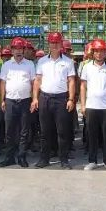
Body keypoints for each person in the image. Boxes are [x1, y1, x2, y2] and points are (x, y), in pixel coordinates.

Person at [35, 31, 76, 169]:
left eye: (57, 43)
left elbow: (71, 81)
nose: (54, 45)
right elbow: (37, 80)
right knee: (45, 131)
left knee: (62, 132)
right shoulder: (42, 61)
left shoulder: (68, 62)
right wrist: (35, 98)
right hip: (44, 98)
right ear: (49, 44)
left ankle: (64, 159)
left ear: (61, 44)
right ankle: (44, 159)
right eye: (52, 43)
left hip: (61, 99)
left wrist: (71, 99)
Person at [78, 38, 106, 172]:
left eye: (102, 51)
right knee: (92, 135)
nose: (99, 54)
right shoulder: (87, 67)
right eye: (96, 51)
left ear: (105, 53)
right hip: (91, 106)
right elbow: (83, 86)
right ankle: (92, 161)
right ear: (93, 53)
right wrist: (83, 105)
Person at [0, 37, 37, 168]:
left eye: (21, 49)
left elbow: (34, 83)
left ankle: (21, 157)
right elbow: (3, 83)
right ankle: (9, 157)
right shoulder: (7, 65)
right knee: (9, 131)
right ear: (12, 50)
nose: (18, 51)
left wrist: (34, 99)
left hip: (25, 101)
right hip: (10, 101)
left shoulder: (29, 64)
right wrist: (2, 100)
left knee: (24, 131)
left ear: (24, 50)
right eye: (16, 49)